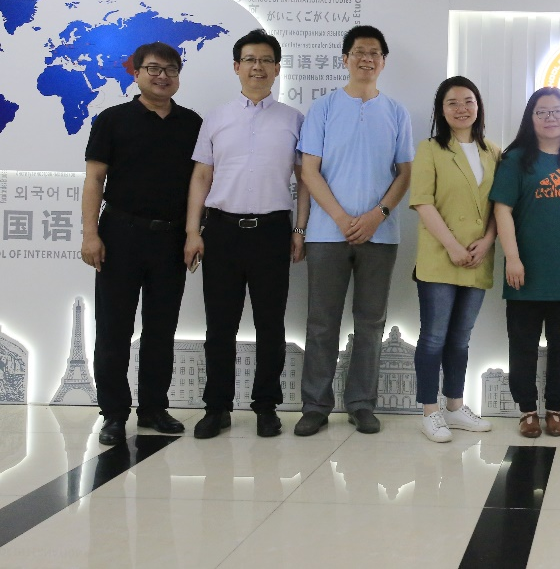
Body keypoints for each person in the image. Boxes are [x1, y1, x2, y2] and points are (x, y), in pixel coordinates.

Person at [184, 30, 308, 440]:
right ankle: (216, 407)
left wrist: (299, 229)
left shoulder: (294, 119)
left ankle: (266, 407)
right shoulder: (216, 118)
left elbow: (305, 180)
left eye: (266, 60)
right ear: (236, 66)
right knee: (220, 327)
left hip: (272, 231)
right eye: (250, 59)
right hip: (221, 231)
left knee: (271, 325)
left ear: (277, 68)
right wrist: (193, 231)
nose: (258, 67)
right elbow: (201, 177)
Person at [293, 25, 414, 437]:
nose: (367, 58)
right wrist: (342, 219)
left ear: (383, 61)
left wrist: (377, 215)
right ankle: (315, 405)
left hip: (380, 234)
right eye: (359, 51)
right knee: (321, 322)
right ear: (345, 59)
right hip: (327, 233)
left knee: (371, 322)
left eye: (375, 52)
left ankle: (362, 404)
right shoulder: (324, 108)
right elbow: (309, 171)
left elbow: (404, 173)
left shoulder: (396, 112)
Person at [81, 42, 202, 445]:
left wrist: (192, 232)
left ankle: (153, 407)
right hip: (120, 234)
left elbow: (198, 184)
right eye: (153, 69)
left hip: (170, 237)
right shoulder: (112, 119)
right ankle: (114, 413)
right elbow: (94, 180)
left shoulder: (192, 123)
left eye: (171, 69)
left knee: (161, 329)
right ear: (136, 73)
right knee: (114, 328)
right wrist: (90, 233)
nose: (162, 76)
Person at [491, 88, 560, 439]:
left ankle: (555, 409)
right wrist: (512, 258)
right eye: (542, 112)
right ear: (531, 118)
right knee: (522, 344)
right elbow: (502, 210)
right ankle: (527, 410)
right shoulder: (516, 160)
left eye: (558, 111)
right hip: (525, 271)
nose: (551, 118)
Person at [409, 76, 500, 443]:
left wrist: (488, 241)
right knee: (433, 336)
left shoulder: (493, 151)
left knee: (461, 338)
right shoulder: (430, 149)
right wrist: (452, 246)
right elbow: (422, 201)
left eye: (468, 101)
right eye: (452, 102)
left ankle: (455, 406)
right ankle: (429, 412)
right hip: (440, 254)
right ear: (441, 110)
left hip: (478, 256)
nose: (462, 108)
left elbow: (501, 205)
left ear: (478, 106)